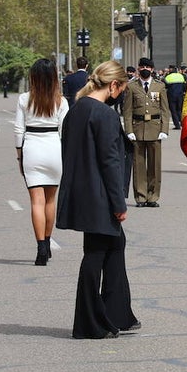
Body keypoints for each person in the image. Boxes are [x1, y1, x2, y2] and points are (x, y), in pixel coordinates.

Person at [56, 60, 139, 339]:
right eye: (122, 88)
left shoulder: (77, 109)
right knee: (96, 254)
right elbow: (109, 161)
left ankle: (117, 314)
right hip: (100, 194)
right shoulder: (104, 114)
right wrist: (119, 203)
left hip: (83, 191)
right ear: (113, 85)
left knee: (115, 244)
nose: (122, 93)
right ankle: (90, 322)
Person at [15, 58, 69, 266]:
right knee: (50, 201)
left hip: (32, 148)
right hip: (54, 148)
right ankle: (47, 240)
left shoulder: (24, 99)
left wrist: (19, 154)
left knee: (36, 201)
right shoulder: (61, 101)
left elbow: (19, 129)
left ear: (34, 77)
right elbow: (64, 131)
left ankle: (41, 248)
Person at [121, 57, 171, 207]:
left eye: (147, 67)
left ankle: (153, 196)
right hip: (137, 128)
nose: (144, 69)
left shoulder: (160, 86)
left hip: (155, 129)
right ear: (138, 69)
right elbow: (127, 111)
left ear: (152, 69)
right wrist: (128, 130)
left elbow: (164, 110)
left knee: (155, 165)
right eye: (142, 66)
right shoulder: (131, 87)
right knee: (139, 165)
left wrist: (164, 129)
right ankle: (141, 197)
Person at [164, 65, 187, 129]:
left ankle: (177, 125)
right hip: (180, 95)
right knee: (179, 110)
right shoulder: (181, 76)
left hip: (171, 95)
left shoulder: (168, 77)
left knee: (173, 110)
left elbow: (165, 86)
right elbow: (184, 86)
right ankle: (182, 123)